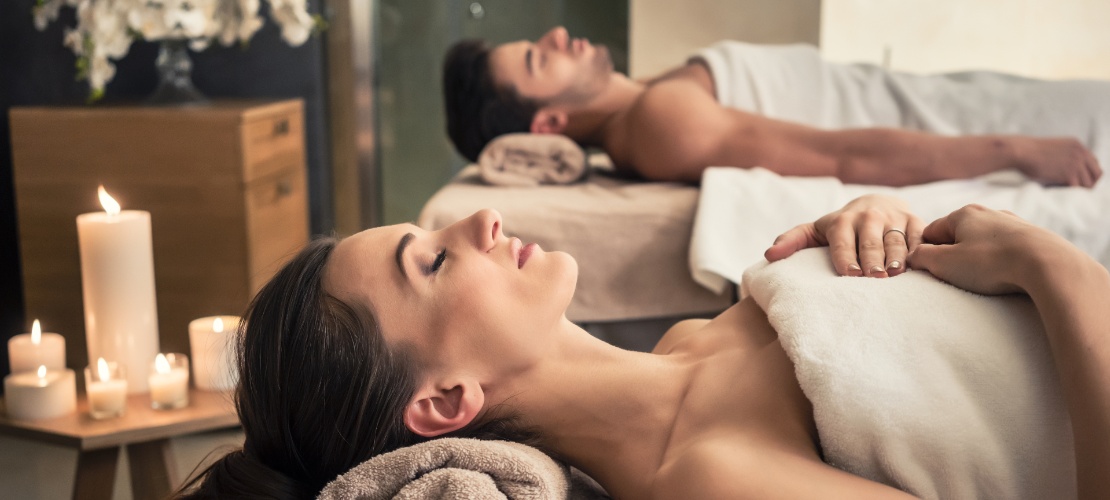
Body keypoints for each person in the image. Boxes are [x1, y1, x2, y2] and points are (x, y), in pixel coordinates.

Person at [175, 194, 1108, 498]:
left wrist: (884, 233)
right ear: (447, 401)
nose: (480, 220)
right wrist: (1047, 262)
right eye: (431, 262)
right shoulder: (712, 474)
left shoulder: (690, 340)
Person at [442, 26, 1105, 188]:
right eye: (540, 59)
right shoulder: (660, 124)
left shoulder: (650, 95)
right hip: (989, 132)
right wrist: (1016, 150)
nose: (557, 36)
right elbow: (840, 156)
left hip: (960, 101)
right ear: (551, 123)